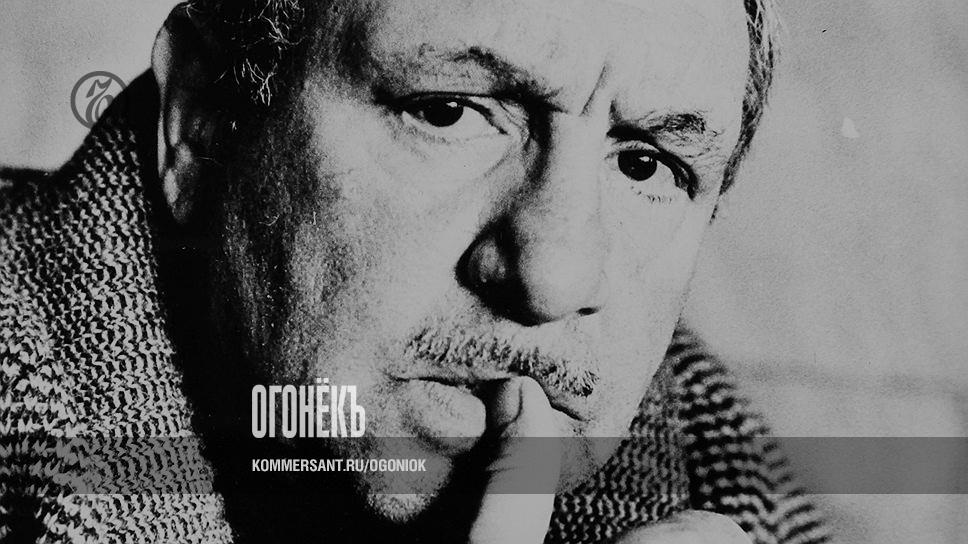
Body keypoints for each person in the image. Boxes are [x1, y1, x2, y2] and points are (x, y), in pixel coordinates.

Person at [0, 0, 829, 542]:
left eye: (646, 165)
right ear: (206, 121)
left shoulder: (727, 470)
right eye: (447, 111)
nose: (552, 278)